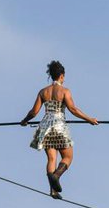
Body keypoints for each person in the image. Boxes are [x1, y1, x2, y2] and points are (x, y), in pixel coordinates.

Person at [21, 60, 99, 198]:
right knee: (68, 157)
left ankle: (53, 190)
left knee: (52, 159)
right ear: (62, 76)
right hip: (58, 125)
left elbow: (34, 112)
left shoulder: (43, 92)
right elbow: (73, 109)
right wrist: (89, 119)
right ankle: (56, 176)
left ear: (51, 75)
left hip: (45, 126)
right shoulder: (64, 91)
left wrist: (24, 121)